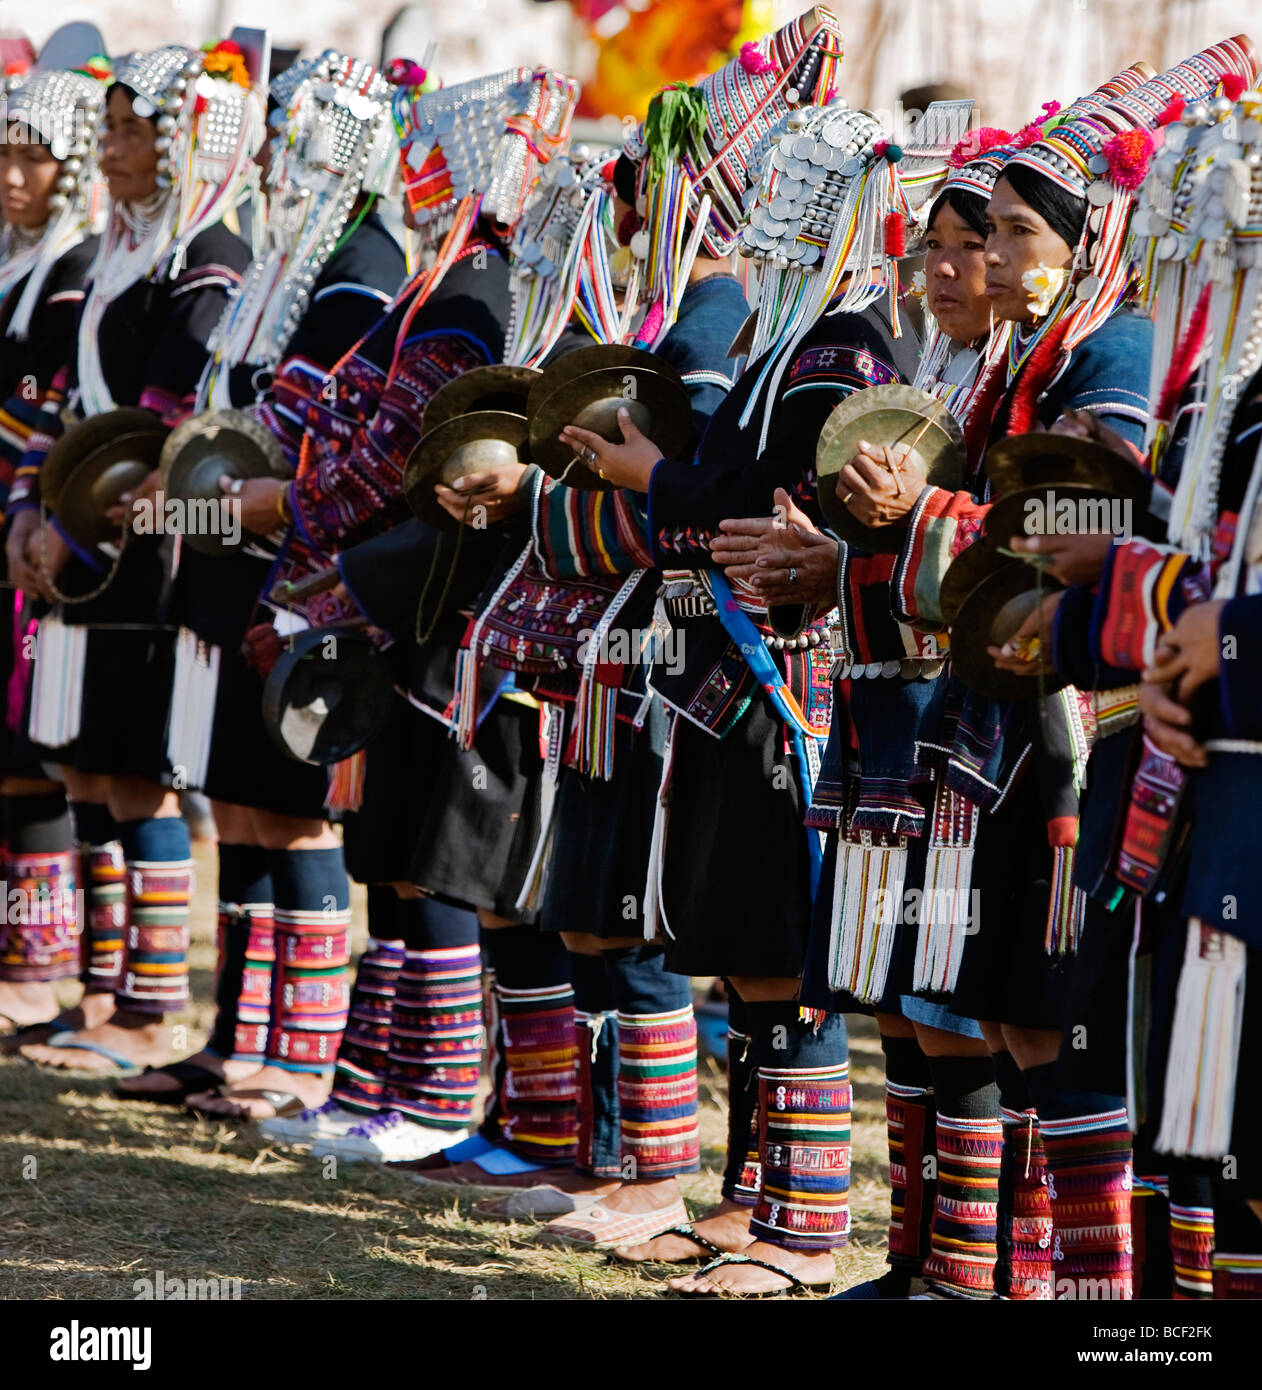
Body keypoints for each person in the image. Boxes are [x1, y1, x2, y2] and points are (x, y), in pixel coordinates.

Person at [566, 75, 938, 1293]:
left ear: (829, 204)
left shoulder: (842, 349)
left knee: (785, 959)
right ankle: (753, 1205)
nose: (764, 208)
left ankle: (803, 1231)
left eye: (790, 189)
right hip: (724, 680)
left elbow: (775, 523)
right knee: (746, 952)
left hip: (786, 687)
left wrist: (657, 475)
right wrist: (670, 480)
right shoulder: (790, 334)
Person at [248, 63, 585, 1160]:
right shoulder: (442, 278)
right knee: (388, 843)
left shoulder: (476, 286)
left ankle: (437, 1096)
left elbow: (397, 458)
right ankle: (378, 1086)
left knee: (435, 850)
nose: (416, 167)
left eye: (436, 148)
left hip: (434, 603)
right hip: (394, 594)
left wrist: (297, 513)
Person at [111, 49, 408, 1114]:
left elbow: (290, 446)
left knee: (289, 814)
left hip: (293, 572)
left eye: (302, 129)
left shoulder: (361, 260)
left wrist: (185, 500)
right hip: (227, 564)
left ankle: (297, 1057)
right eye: (277, 131)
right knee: (236, 806)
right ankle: (235, 1036)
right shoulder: (295, 250)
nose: (280, 150)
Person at [17, 40, 262, 1077]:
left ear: (185, 143)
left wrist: (68, 519)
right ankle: (103, 987)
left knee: (135, 776)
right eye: (108, 130)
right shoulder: (130, 249)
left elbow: (154, 429)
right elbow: (70, 417)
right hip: (84, 539)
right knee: (87, 768)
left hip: (143, 554)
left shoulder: (205, 256)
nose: (111, 148)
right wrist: (32, 510)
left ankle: (151, 1003)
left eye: (131, 131)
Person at [0, 58, 107, 1035]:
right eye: (4, 154)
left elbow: (47, 405)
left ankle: (40, 968)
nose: (13, 174)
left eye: (35, 159)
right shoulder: (14, 256)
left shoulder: (77, 266)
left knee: (32, 754)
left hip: (34, 537)